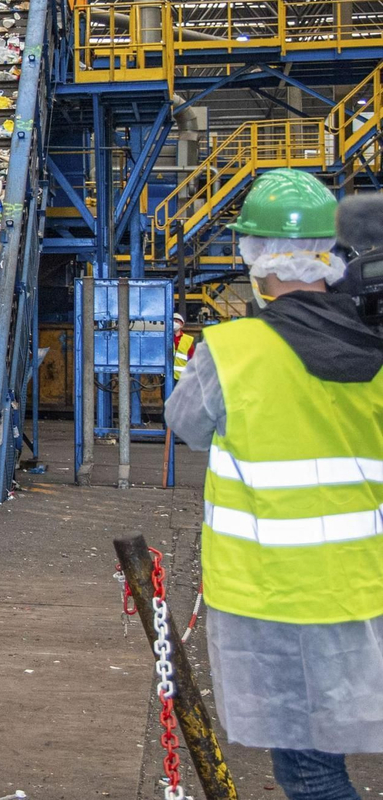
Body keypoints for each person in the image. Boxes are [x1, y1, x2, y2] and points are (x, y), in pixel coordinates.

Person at [165, 169, 383, 800]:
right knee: (327, 756)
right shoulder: (372, 346)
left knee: (311, 772)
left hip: (277, 595)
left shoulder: (233, 352)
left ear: (253, 255)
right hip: (361, 587)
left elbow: (187, 425)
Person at [172, 311, 195, 381]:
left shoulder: (187, 340)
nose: (174, 323)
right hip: (166, 377)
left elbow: (192, 359)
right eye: (172, 321)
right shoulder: (165, 338)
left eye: (176, 321)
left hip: (182, 378)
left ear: (182, 324)